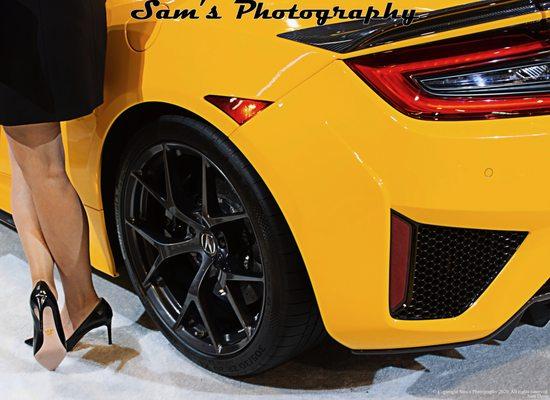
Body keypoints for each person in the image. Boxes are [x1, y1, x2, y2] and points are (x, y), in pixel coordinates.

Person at [0, 0, 112, 370]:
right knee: (28, 163)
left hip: (20, 25)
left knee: (41, 167)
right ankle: (43, 286)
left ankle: (81, 301)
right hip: (72, 14)